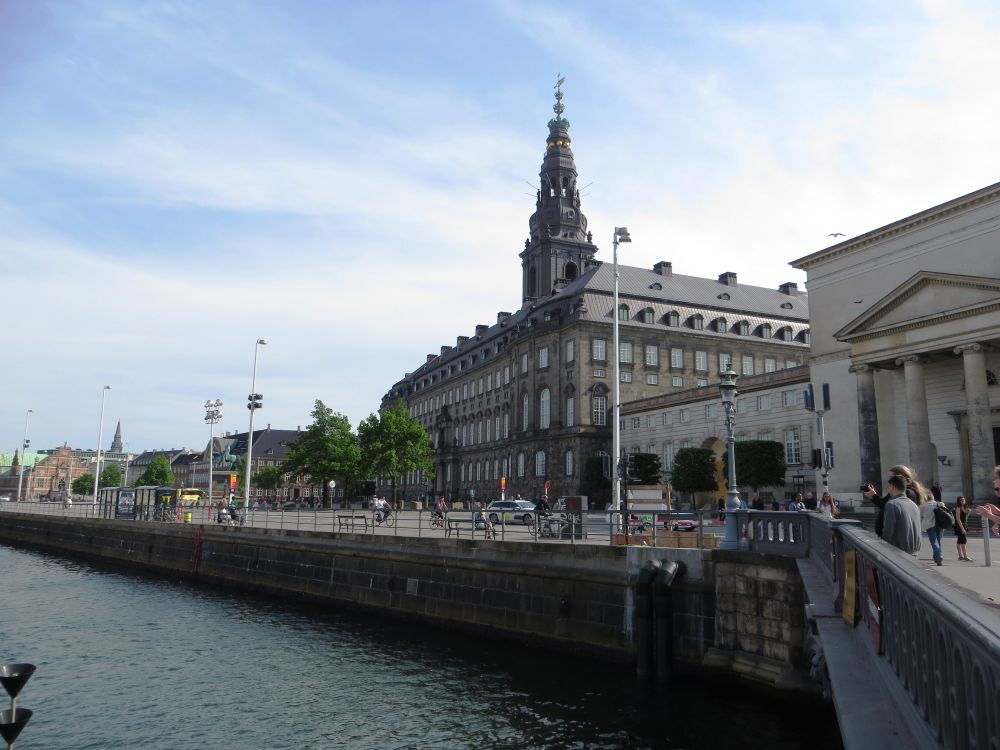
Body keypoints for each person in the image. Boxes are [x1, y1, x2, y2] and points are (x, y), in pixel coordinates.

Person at [862, 464, 926, 538]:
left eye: (891, 477)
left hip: (898, 536)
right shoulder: (899, 491)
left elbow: (889, 507)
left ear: (900, 477)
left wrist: (874, 496)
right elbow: (885, 504)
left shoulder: (907, 492)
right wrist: (873, 495)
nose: (889, 481)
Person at [882, 475, 922, 554]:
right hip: (914, 551)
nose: (888, 489)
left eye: (888, 487)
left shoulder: (892, 504)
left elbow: (888, 532)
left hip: (898, 552)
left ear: (892, 487)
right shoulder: (913, 505)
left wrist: (882, 547)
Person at [920, 492, 948, 566]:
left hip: (929, 525)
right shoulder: (940, 504)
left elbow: (920, 516)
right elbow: (946, 513)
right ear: (933, 497)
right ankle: (936, 557)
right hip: (940, 525)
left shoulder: (923, 506)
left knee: (934, 542)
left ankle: (938, 556)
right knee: (938, 541)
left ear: (926, 498)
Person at [954, 496, 973, 562]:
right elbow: (958, 519)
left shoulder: (965, 507)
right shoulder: (958, 508)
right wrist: (962, 529)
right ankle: (965, 556)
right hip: (959, 526)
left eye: (963, 500)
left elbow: (965, 518)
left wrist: (968, 512)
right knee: (963, 541)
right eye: (961, 500)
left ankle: (960, 556)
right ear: (959, 501)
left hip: (964, 525)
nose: (963, 501)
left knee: (960, 541)